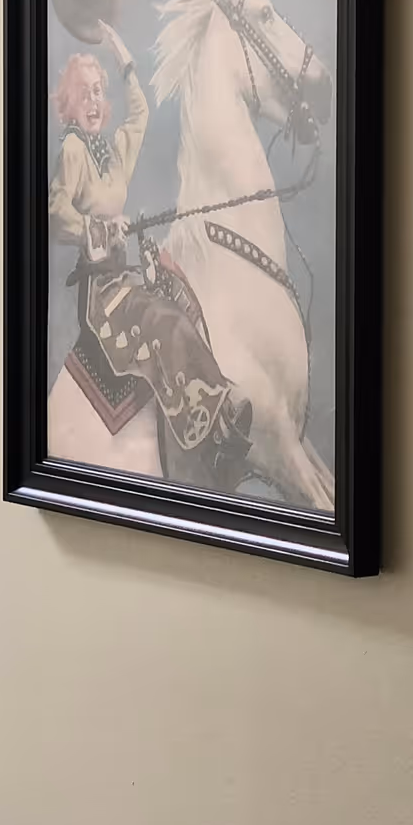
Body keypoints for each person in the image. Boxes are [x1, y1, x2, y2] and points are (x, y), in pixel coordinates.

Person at [49, 30, 253, 491]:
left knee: (181, 296)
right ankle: (214, 425)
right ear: (69, 104)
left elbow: (139, 112)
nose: (95, 101)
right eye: (84, 94)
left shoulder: (113, 150)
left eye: (99, 92)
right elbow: (55, 213)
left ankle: (212, 420)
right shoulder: (75, 150)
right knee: (161, 319)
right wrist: (100, 229)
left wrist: (122, 56)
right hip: (100, 292)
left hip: (123, 274)